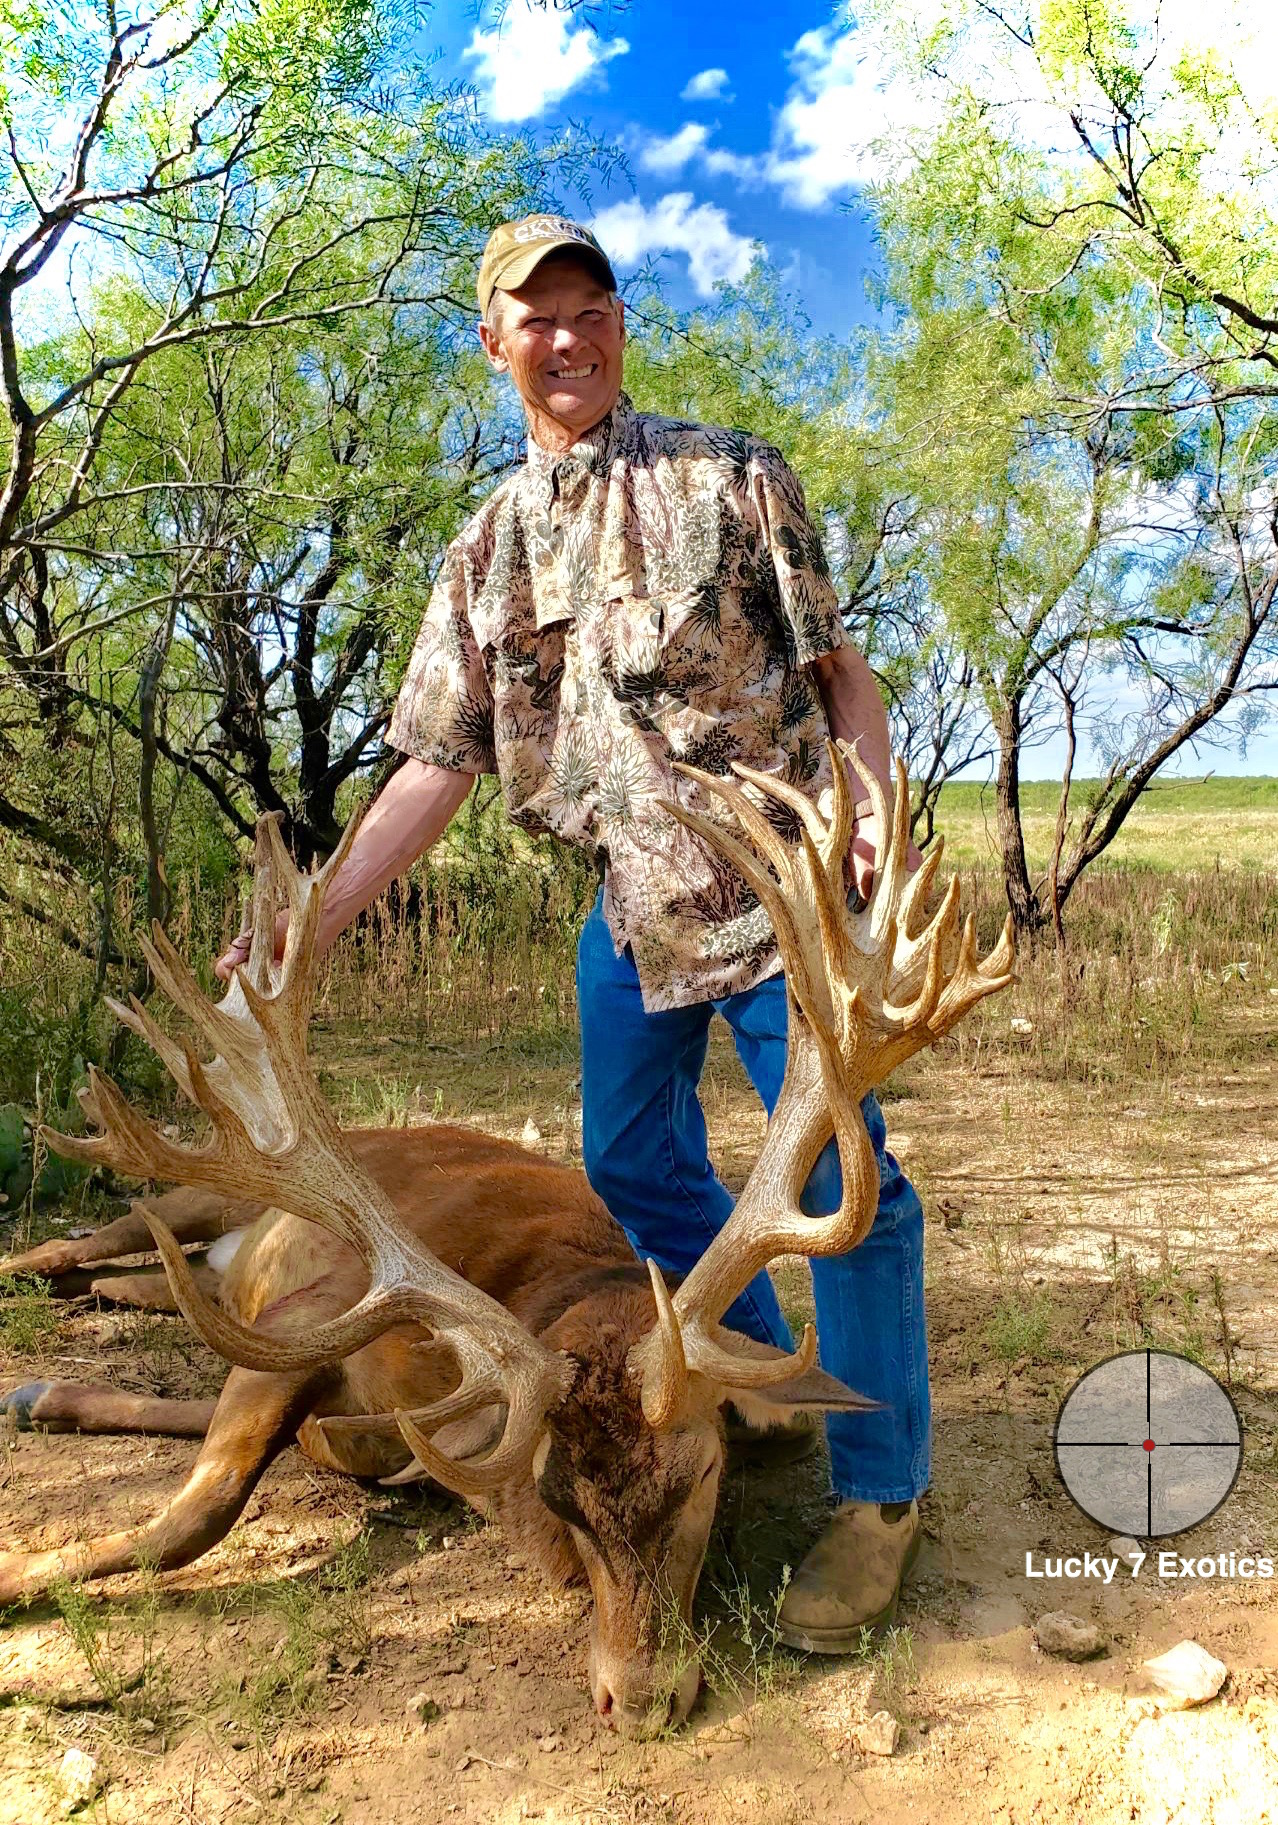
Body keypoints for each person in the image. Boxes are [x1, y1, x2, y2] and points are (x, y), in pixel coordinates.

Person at [215, 214, 927, 1649]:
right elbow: (435, 763)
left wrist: (867, 815)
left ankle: (875, 1501)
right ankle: (761, 1372)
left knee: (849, 1189)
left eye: (589, 306)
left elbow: (842, 676)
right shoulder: (484, 548)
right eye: (534, 315)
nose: (567, 335)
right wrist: (320, 911)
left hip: (776, 896)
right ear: (492, 342)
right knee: (622, 1156)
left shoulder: (730, 474)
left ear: (617, 326)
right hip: (627, 913)